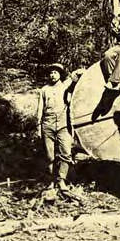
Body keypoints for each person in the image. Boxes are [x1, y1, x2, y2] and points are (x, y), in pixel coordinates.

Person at [37, 63, 84, 192]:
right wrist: (38, 127)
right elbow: (40, 109)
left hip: (63, 125)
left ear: (60, 74)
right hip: (47, 125)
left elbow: (77, 76)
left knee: (66, 153)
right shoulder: (44, 90)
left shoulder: (65, 86)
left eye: (55, 73)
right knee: (49, 156)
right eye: (51, 73)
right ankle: (51, 181)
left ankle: (61, 180)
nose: (52, 75)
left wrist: (81, 71)